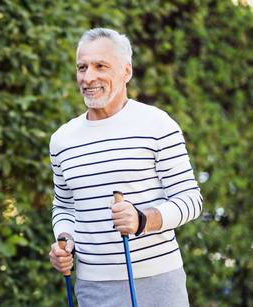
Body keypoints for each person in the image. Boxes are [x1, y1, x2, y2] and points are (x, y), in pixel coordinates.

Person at [48, 28, 202, 307]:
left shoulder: (157, 124)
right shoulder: (62, 140)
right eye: (82, 67)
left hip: (157, 282)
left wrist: (143, 220)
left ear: (126, 72)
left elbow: (190, 200)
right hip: (92, 286)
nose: (88, 77)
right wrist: (65, 239)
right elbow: (64, 207)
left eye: (100, 66)